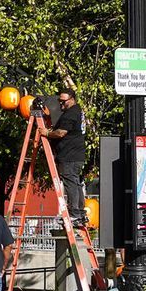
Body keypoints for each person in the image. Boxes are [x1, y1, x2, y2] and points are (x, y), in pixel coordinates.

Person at [41, 86, 89, 227]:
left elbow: (61, 132)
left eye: (64, 101)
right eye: (59, 101)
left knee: (71, 183)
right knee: (76, 182)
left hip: (69, 155)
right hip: (77, 154)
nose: (61, 104)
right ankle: (80, 214)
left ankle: (74, 214)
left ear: (72, 99)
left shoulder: (70, 114)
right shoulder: (78, 111)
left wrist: (47, 133)